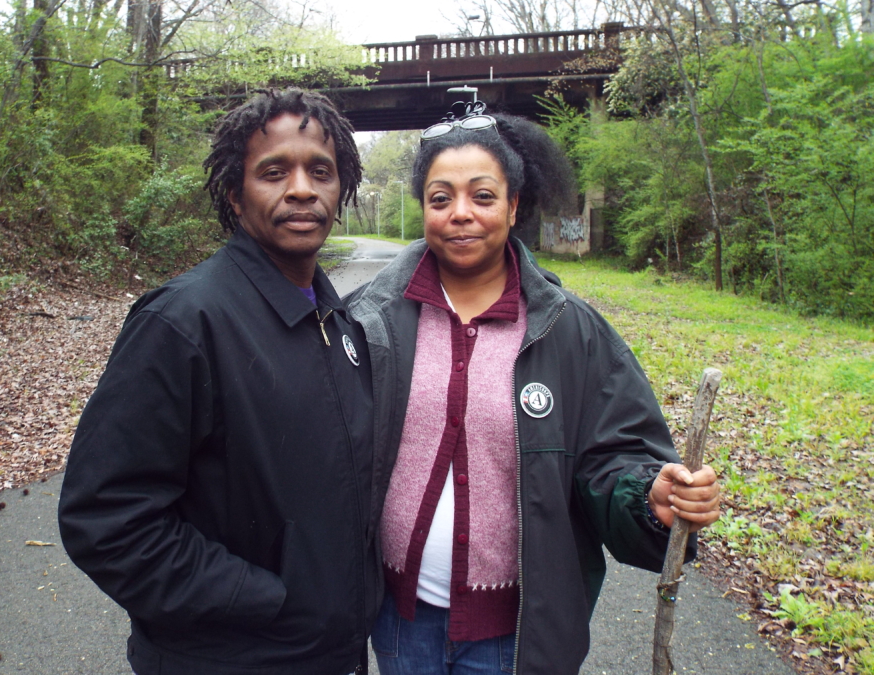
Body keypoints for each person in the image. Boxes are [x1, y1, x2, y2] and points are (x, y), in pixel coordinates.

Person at [344, 100, 721, 675]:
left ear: (514, 205)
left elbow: (616, 457)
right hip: (399, 622)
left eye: (483, 196)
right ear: (423, 209)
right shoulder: (368, 322)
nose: (461, 213)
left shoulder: (571, 330)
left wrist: (650, 498)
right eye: (440, 198)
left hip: (513, 635)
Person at [58, 88, 379, 675]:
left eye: (321, 171)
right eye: (274, 172)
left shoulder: (341, 324)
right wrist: (263, 598)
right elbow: (106, 521)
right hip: (233, 656)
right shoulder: (183, 323)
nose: (302, 189)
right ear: (235, 194)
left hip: (331, 655)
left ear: (341, 189)